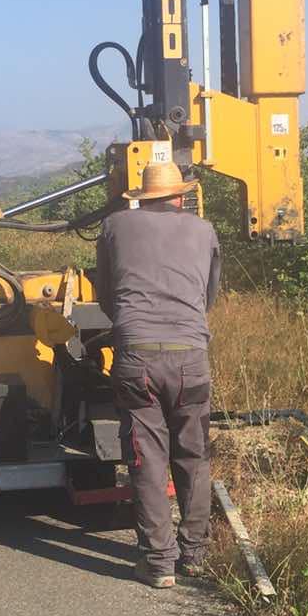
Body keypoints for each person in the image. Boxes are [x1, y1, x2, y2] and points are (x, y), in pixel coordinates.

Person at [94, 162, 221, 589]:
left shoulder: (115, 227)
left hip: (137, 357)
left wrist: (133, 326)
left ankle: (158, 561)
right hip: (190, 356)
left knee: (146, 460)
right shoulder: (203, 231)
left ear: (142, 197)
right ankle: (195, 554)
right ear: (180, 197)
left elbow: (106, 295)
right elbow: (209, 295)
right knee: (193, 455)